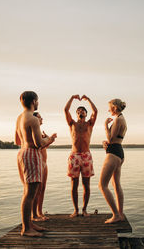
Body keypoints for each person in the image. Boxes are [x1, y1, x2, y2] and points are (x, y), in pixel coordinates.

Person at [15, 91, 57, 237]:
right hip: (31, 154)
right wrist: (50, 139)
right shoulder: (33, 119)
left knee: (29, 191)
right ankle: (26, 229)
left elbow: (17, 141)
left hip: (23, 153)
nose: (38, 103)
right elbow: (39, 143)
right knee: (30, 193)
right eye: (37, 101)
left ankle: (30, 223)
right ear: (34, 101)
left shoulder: (20, 117)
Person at [64, 94, 98, 217]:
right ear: (76, 113)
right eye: (78, 110)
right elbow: (65, 110)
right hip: (74, 156)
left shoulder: (89, 124)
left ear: (86, 113)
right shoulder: (72, 123)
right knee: (74, 185)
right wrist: (72, 98)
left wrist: (88, 99)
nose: (80, 111)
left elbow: (95, 111)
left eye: (83, 110)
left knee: (86, 184)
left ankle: (84, 209)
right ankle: (75, 210)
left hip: (86, 156)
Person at [99, 98, 127, 224]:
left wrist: (105, 125)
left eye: (109, 107)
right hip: (118, 151)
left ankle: (115, 214)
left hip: (114, 153)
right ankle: (120, 214)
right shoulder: (122, 119)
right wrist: (107, 144)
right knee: (116, 184)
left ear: (114, 107)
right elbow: (114, 139)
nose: (108, 109)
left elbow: (110, 139)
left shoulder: (118, 119)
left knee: (102, 185)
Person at [31, 112, 49, 221]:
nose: (42, 118)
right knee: (37, 189)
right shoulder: (33, 131)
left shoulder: (39, 132)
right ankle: (34, 215)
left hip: (44, 163)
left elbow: (42, 146)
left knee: (42, 188)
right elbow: (38, 146)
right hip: (38, 162)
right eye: (39, 117)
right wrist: (49, 139)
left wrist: (46, 139)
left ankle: (40, 212)